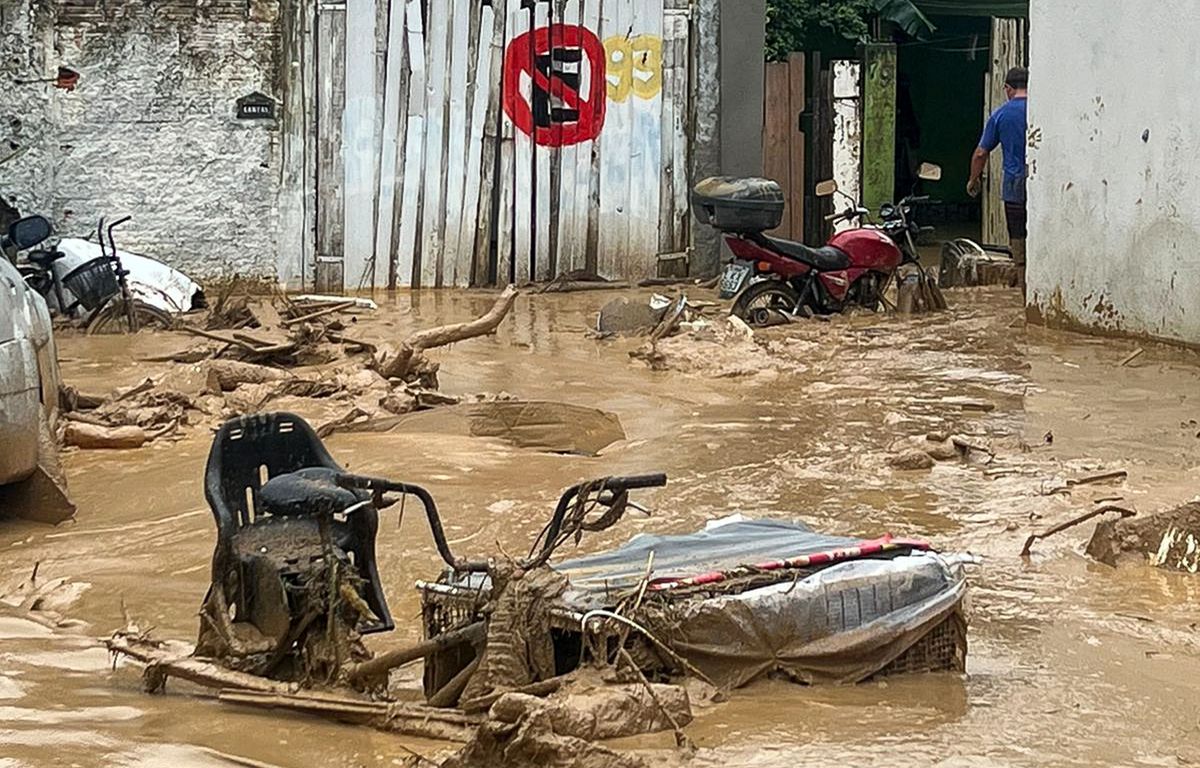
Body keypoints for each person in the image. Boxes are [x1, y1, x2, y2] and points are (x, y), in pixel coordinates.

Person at [968, 66, 1028, 297]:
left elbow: (981, 153)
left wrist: (973, 180)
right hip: (1041, 185)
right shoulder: (1042, 110)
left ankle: (1024, 292)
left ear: (1007, 88)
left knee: (1018, 240)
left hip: (1014, 186)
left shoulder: (1001, 115)